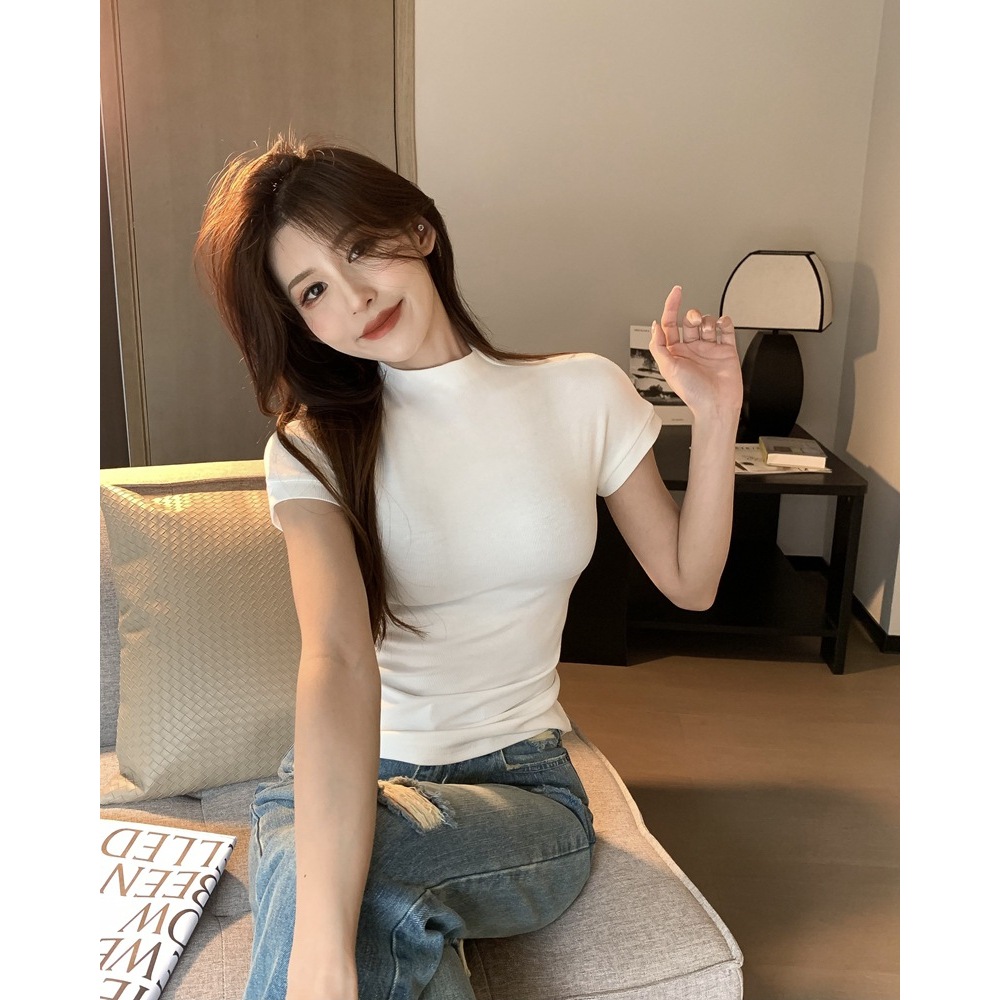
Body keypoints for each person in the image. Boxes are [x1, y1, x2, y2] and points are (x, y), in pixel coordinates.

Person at [195, 135, 742, 1000]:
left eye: (359, 249)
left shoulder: (583, 391)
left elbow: (690, 581)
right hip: (351, 778)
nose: (355, 296)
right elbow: (336, 657)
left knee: (335, 876)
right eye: (314, 291)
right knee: (352, 891)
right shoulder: (310, 449)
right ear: (302, 323)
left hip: (522, 790)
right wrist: (322, 957)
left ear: (419, 230)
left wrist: (716, 415)